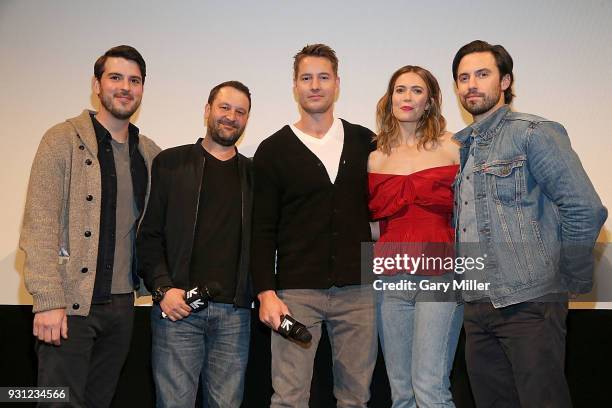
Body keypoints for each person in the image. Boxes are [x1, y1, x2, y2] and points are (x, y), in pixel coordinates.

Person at [452, 40, 607, 407]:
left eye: (482, 74)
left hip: (529, 302)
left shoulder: (534, 132)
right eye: (463, 77)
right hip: (476, 305)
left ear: (504, 81)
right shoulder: (458, 147)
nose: (471, 84)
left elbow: (584, 207)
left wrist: (567, 280)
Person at [19, 45, 160, 408]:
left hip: (121, 307)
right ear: (97, 85)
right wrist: (48, 301)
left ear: (143, 88)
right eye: (115, 78)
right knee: (55, 403)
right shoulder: (61, 139)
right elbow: (40, 222)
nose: (125, 87)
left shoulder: (148, 153)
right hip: (68, 305)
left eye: (134, 80)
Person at [251, 44, 377, 407]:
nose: (315, 85)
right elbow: (262, 230)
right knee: (288, 398)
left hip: (360, 291)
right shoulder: (273, 150)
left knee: (356, 398)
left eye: (323, 77)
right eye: (306, 78)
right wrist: (266, 293)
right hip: (296, 295)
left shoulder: (365, 142)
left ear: (337, 83)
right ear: (295, 86)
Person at [137, 81, 253, 408]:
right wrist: (163, 289)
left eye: (240, 112)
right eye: (224, 108)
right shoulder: (170, 164)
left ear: (247, 120)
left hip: (234, 315)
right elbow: (149, 236)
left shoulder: (254, 175)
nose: (231, 117)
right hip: (178, 309)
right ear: (207, 110)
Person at [368, 65, 463, 407]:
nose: (407, 97)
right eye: (400, 89)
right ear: (390, 97)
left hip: (439, 275)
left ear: (431, 101)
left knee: (430, 388)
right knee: (401, 392)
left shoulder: (453, 147)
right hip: (387, 280)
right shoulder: (374, 157)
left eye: (417, 90)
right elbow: (373, 225)